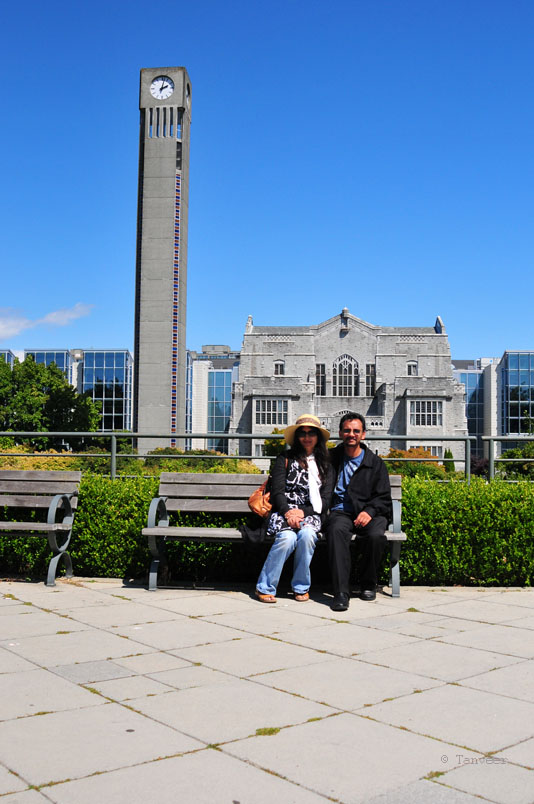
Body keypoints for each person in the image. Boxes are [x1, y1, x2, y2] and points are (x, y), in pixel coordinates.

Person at [255, 414, 335, 603]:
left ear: (318, 437)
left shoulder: (326, 464)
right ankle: (264, 587)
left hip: (311, 513)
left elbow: (325, 500)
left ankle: (301, 587)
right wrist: (288, 512)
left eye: (311, 433)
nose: (307, 437)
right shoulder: (285, 458)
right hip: (283, 512)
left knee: (307, 536)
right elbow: (277, 492)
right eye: (302, 433)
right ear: (297, 437)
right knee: (287, 538)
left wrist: (302, 512)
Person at [326, 412, 392, 611]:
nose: (351, 434)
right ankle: (341, 592)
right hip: (341, 512)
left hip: (370, 512)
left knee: (375, 536)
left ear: (363, 434)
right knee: (336, 531)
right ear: (340, 433)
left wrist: (369, 511)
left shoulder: (375, 463)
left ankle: (368, 584)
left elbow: (383, 496)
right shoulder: (331, 458)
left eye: (356, 431)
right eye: (347, 430)